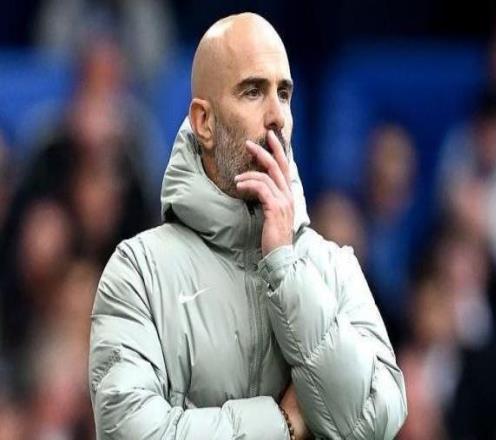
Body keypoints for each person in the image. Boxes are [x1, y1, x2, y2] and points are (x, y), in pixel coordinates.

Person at [89, 13, 407, 439]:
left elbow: (375, 423)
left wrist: (286, 269)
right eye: (253, 92)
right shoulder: (138, 272)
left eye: (284, 93)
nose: (276, 116)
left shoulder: (332, 266)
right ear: (204, 122)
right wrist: (282, 424)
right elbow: (132, 432)